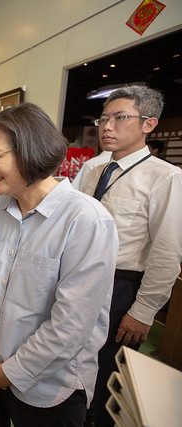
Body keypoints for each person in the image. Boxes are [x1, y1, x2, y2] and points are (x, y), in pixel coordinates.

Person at [0, 103, 118, 427]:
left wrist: (7, 373)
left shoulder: (87, 221)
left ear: (31, 148)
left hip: (48, 388)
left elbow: (70, 326)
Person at [81, 86, 182, 427]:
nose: (107, 126)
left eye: (120, 118)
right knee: (77, 369)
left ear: (148, 125)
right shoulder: (95, 171)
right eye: (104, 118)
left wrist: (142, 311)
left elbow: (168, 252)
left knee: (109, 377)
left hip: (121, 288)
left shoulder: (165, 177)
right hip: (82, 280)